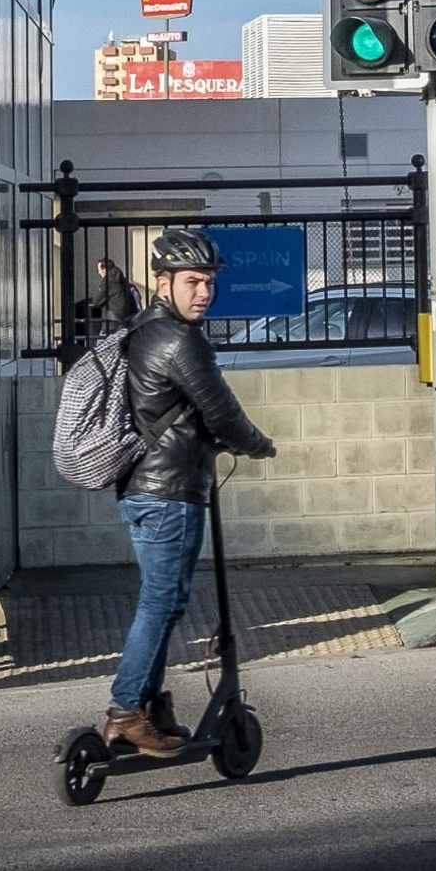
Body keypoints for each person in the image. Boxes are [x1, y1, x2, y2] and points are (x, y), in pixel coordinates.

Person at [104, 228, 274, 757]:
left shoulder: (144, 329)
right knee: (160, 603)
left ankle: (150, 705)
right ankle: (127, 709)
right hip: (170, 491)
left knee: (166, 601)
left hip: (144, 488)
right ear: (163, 282)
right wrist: (257, 445)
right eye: (193, 282)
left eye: (209, 282)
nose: (204, 292)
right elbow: (220, 410)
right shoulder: (180, 340)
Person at [90, 258, 139, 333]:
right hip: (124, 320)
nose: (99, 273)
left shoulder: (107, 282)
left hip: (111, 323)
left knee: (101, 343)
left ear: (104, 269)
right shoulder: (121, 279)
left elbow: (96, 301)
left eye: (99, 270)